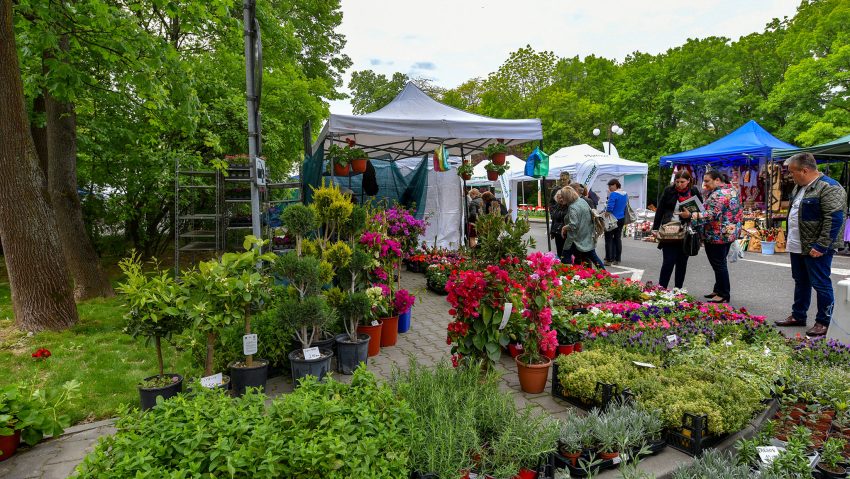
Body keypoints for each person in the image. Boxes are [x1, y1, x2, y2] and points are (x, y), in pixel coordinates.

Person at [775, 153, 847, 337]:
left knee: (821, 283)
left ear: (804, 170)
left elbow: (835, 218)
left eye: (792, 172)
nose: (791, 176)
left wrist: (822, 245)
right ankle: (798, 315)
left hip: (816, 246)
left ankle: (824, 322)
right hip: (798, 244)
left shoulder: (829, 187)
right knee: (801, 281)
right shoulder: (800, 187)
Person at [679, 171, 742, 303]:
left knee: (719, 264)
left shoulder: (718, 194)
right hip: (728, 233)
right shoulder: (732, 190)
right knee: (720, 263)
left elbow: (711, 215)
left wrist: (690, 215)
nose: (705, 184)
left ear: (717, 180)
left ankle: (724, 293)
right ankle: (718, 289)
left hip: (717, 234)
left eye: (707, 181)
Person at [652, 171, 703, 289]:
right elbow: (660, 210)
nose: (679, 184)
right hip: (669, 230)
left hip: (687, 231)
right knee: (668, 261)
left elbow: (701, 211)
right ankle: (661, 288)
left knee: (682, 262)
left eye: (682, 182)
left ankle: (678, 289)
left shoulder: (693, 191)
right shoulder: (669, 190)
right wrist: (655, 228)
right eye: (677, 181)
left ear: (689, 181)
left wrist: (689, 215)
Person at [570, 184, 605, 269]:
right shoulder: (576, 201)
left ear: (576, 190)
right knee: (581, 256)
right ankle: (584, 274)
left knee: (590, 255)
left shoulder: (586, 201)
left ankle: (602, 273)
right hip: (581, 233)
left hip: (585, 232)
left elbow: (591, 216)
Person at [560, 186, 596, 267]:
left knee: (565, 257)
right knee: (590, 257)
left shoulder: (572, 207)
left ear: (567, 196)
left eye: (563, 196)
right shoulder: (582, 201)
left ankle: (567, 274)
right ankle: (604, 273)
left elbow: (573, 225)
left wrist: (564, 227)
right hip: (585, 235)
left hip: (576, 237)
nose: (562, 198)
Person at [603, 179, 628, 265]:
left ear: (616, 185)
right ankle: (617, 258)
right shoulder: (625, 194)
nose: (609, 187)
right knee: (617, 238)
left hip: (612, 219)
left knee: (608, 239)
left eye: (611, 185)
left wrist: (605, 214)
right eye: (609, 186)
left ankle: (609, 259)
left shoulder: (613, 194)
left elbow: (610, 208)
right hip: (621, 218)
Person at [550, 190, 570, 264]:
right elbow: (554, 220)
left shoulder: (569, 206)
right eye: (558, 198)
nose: (561, 199)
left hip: (565, 233)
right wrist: (551, 232)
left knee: (565, 253)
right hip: (557, 232)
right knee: (559, 252)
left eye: (562, 197)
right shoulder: (556, 206)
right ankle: (561, 267)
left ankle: (566, 266)